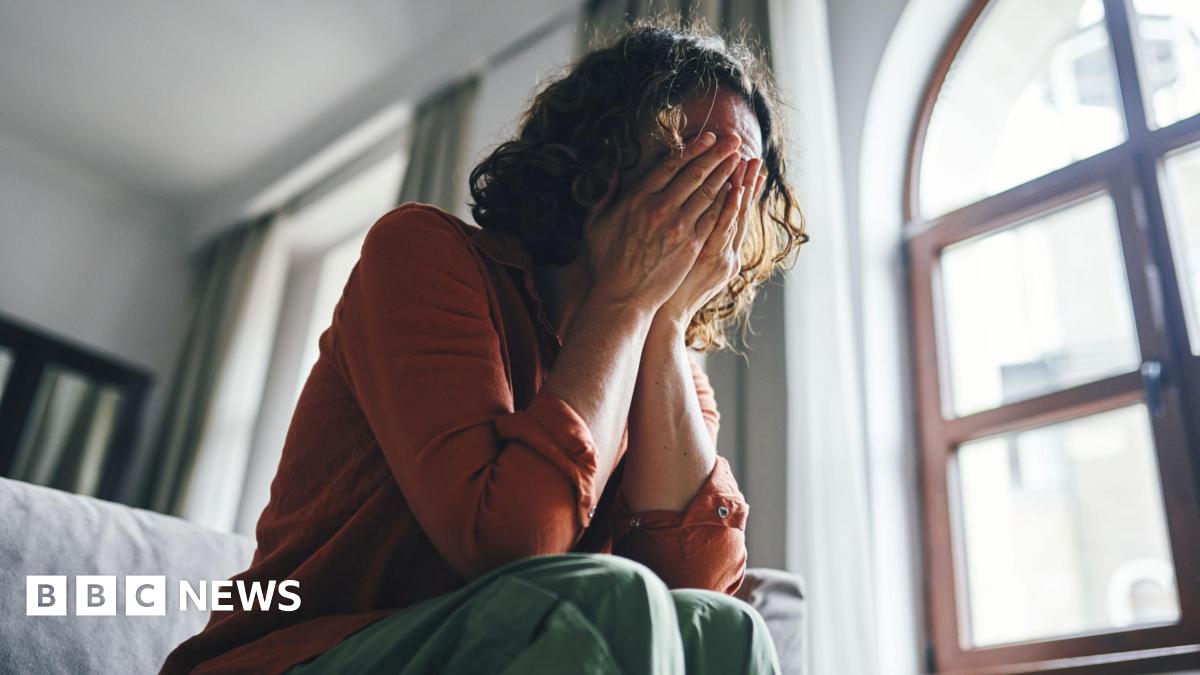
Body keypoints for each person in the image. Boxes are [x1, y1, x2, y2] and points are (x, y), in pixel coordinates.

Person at [161, 18, 805, 675]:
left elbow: (696, 593)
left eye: (739, 182)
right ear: (600, 157)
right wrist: (625, 301)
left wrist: (662, 326)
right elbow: (515, 552)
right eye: (693, 159)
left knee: (734, 630)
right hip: (302, 656)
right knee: (616, 595)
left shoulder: (674, 375)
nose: (718, 199)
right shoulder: (424, 255)